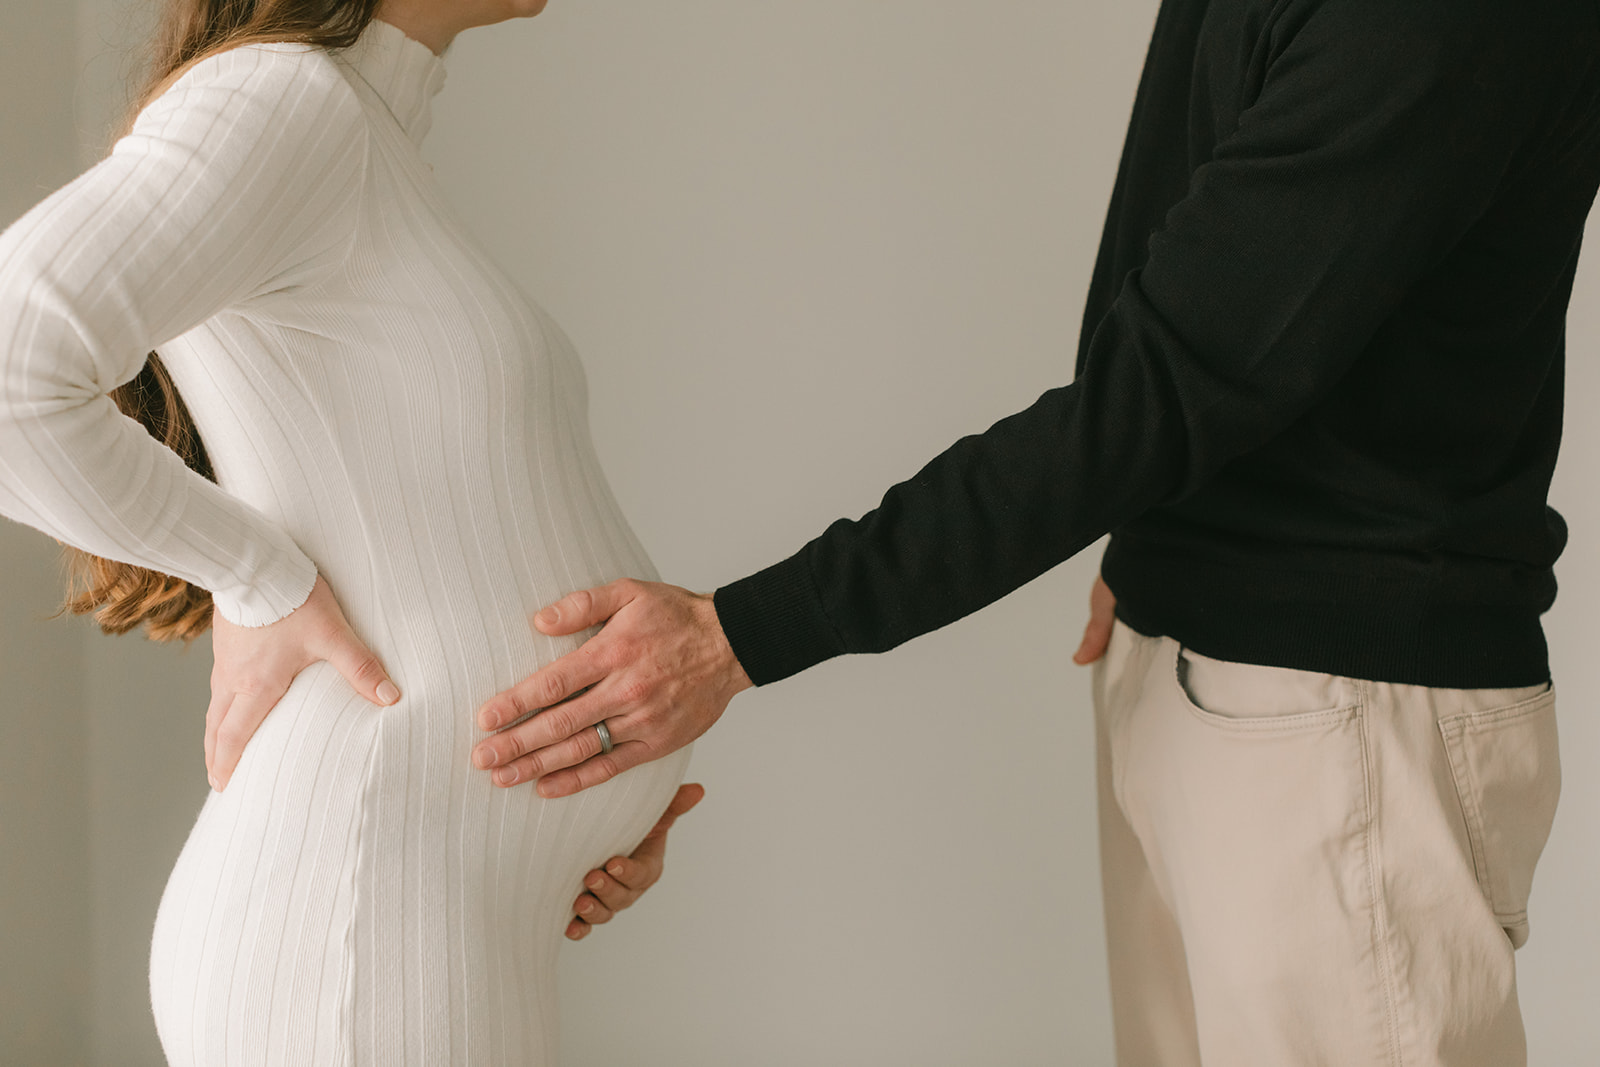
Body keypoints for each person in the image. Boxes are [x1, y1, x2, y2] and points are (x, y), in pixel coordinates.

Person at [466, 1, 1600, 1063]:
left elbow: (1161, 384)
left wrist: (742, 634)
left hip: (1342, 711)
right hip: (1201, 665)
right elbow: (1183, 266)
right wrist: (1151, 526)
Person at [0, 1, 701, 1062]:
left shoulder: (353, 128)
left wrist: (568, 831)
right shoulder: (284, 100)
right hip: (356, 928)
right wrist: (254, 577)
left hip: (422, 920)